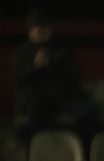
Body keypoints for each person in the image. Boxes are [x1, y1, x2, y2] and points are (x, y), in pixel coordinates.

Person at [12, 12, 92, 141]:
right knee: (35, 116)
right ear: (31, 31)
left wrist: (53, 67)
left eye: (45, 28)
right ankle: (36, 152)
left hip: (60, 97)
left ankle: (81, 153)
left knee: (86, 112)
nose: (42, 32)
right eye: (38, 29)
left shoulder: (61, 49)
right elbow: (20, 79)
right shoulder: (22, 52)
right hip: (34, 99)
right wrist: (36, 67)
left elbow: (73, 76)